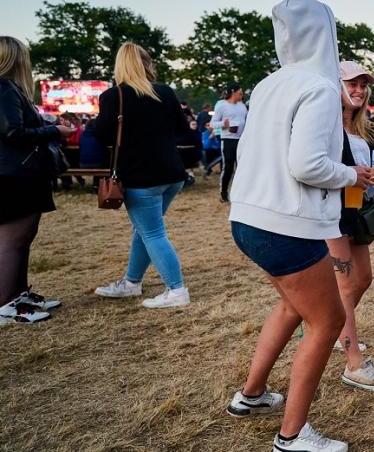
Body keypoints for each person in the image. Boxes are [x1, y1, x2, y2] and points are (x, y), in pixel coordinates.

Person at [224, 0, 362, 452]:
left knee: (292, 306)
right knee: (328, 320)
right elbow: (307, 165)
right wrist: (353, 175)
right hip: (285, 223)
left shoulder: (267, 85)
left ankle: (252, 395)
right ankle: (292, 435)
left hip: (247, 216)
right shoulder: (321, 89)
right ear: (327, 35)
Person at [93, 43, 190, 308]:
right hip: (172, 174)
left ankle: (177, 290)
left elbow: (100, 133)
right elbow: (182, 128)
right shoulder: (165, 93)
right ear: (146, 63)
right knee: (146, 230)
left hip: (140, 177)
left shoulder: (114, 96)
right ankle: (131, 282)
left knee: (152, 232)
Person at [326, 60, 374, 393]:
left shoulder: (360, 129)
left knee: (363, 278)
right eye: (351, 84)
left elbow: (366, 179)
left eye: (363, 85)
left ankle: (326, 326)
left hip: (355, 212)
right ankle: (354, 362)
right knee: (343, 282)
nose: (358, 90)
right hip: (329, 216)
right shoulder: (325, 127)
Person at [0, 36, 73, 323]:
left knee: (23, 238)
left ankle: (18, 295)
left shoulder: (10, 89)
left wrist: (49, 126)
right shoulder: (5, 88)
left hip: (18, 173)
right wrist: (55, 132)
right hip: (14, 175)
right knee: (12, 240)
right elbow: (12, 134)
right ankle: (7, 304)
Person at [212, 82, 247, 202]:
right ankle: (223, 193)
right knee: (228, 167)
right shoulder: (222, 105)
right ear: (233, 92)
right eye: (240, 93)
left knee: (242, 167)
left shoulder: (242, 106)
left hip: (241, 139)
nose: (242, 95)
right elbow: (213, 123)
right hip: (227, 139)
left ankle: (241, 193)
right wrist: (223, 124)